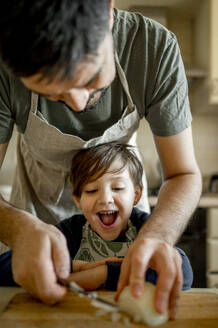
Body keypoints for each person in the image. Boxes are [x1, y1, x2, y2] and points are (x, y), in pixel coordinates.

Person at [0, 0, 201, 318]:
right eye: (54, 94)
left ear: (107, 11)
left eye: (91, 79)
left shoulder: (152, 48)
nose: (78, 104)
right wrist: (20, 231)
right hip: (33, 217)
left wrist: (157, 238)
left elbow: (183, 174)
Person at [0, 143, 193, 297]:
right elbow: (5, 268)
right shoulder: (71, 232)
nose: (106, 199)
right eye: (92, 191)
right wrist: (71, 266)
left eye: (117, 188)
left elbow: (184, 273)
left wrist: (103, 274)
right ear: (78, 200)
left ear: (136, 195)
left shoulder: (145, 228)